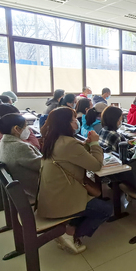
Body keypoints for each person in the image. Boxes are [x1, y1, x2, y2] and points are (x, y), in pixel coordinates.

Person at [38, 107, 112, 254]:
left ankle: (70, 227)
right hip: (63, 198)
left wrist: (85, 144)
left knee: (95, 201)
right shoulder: (69, 143)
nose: (76, 123)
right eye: (73, 120)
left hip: (51, 196)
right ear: (65, 123)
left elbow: (71, 154)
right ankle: (70, 234)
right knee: (106, 209)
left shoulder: (52, 139)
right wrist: (95, 144)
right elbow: (96, 166)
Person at [0, 114, 42, 199]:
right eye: (25, 126)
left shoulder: (4, 142)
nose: (28, 129)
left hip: (22, 185)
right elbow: (42, 166)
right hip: (36, 187)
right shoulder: (20, 147)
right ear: (16, 129)